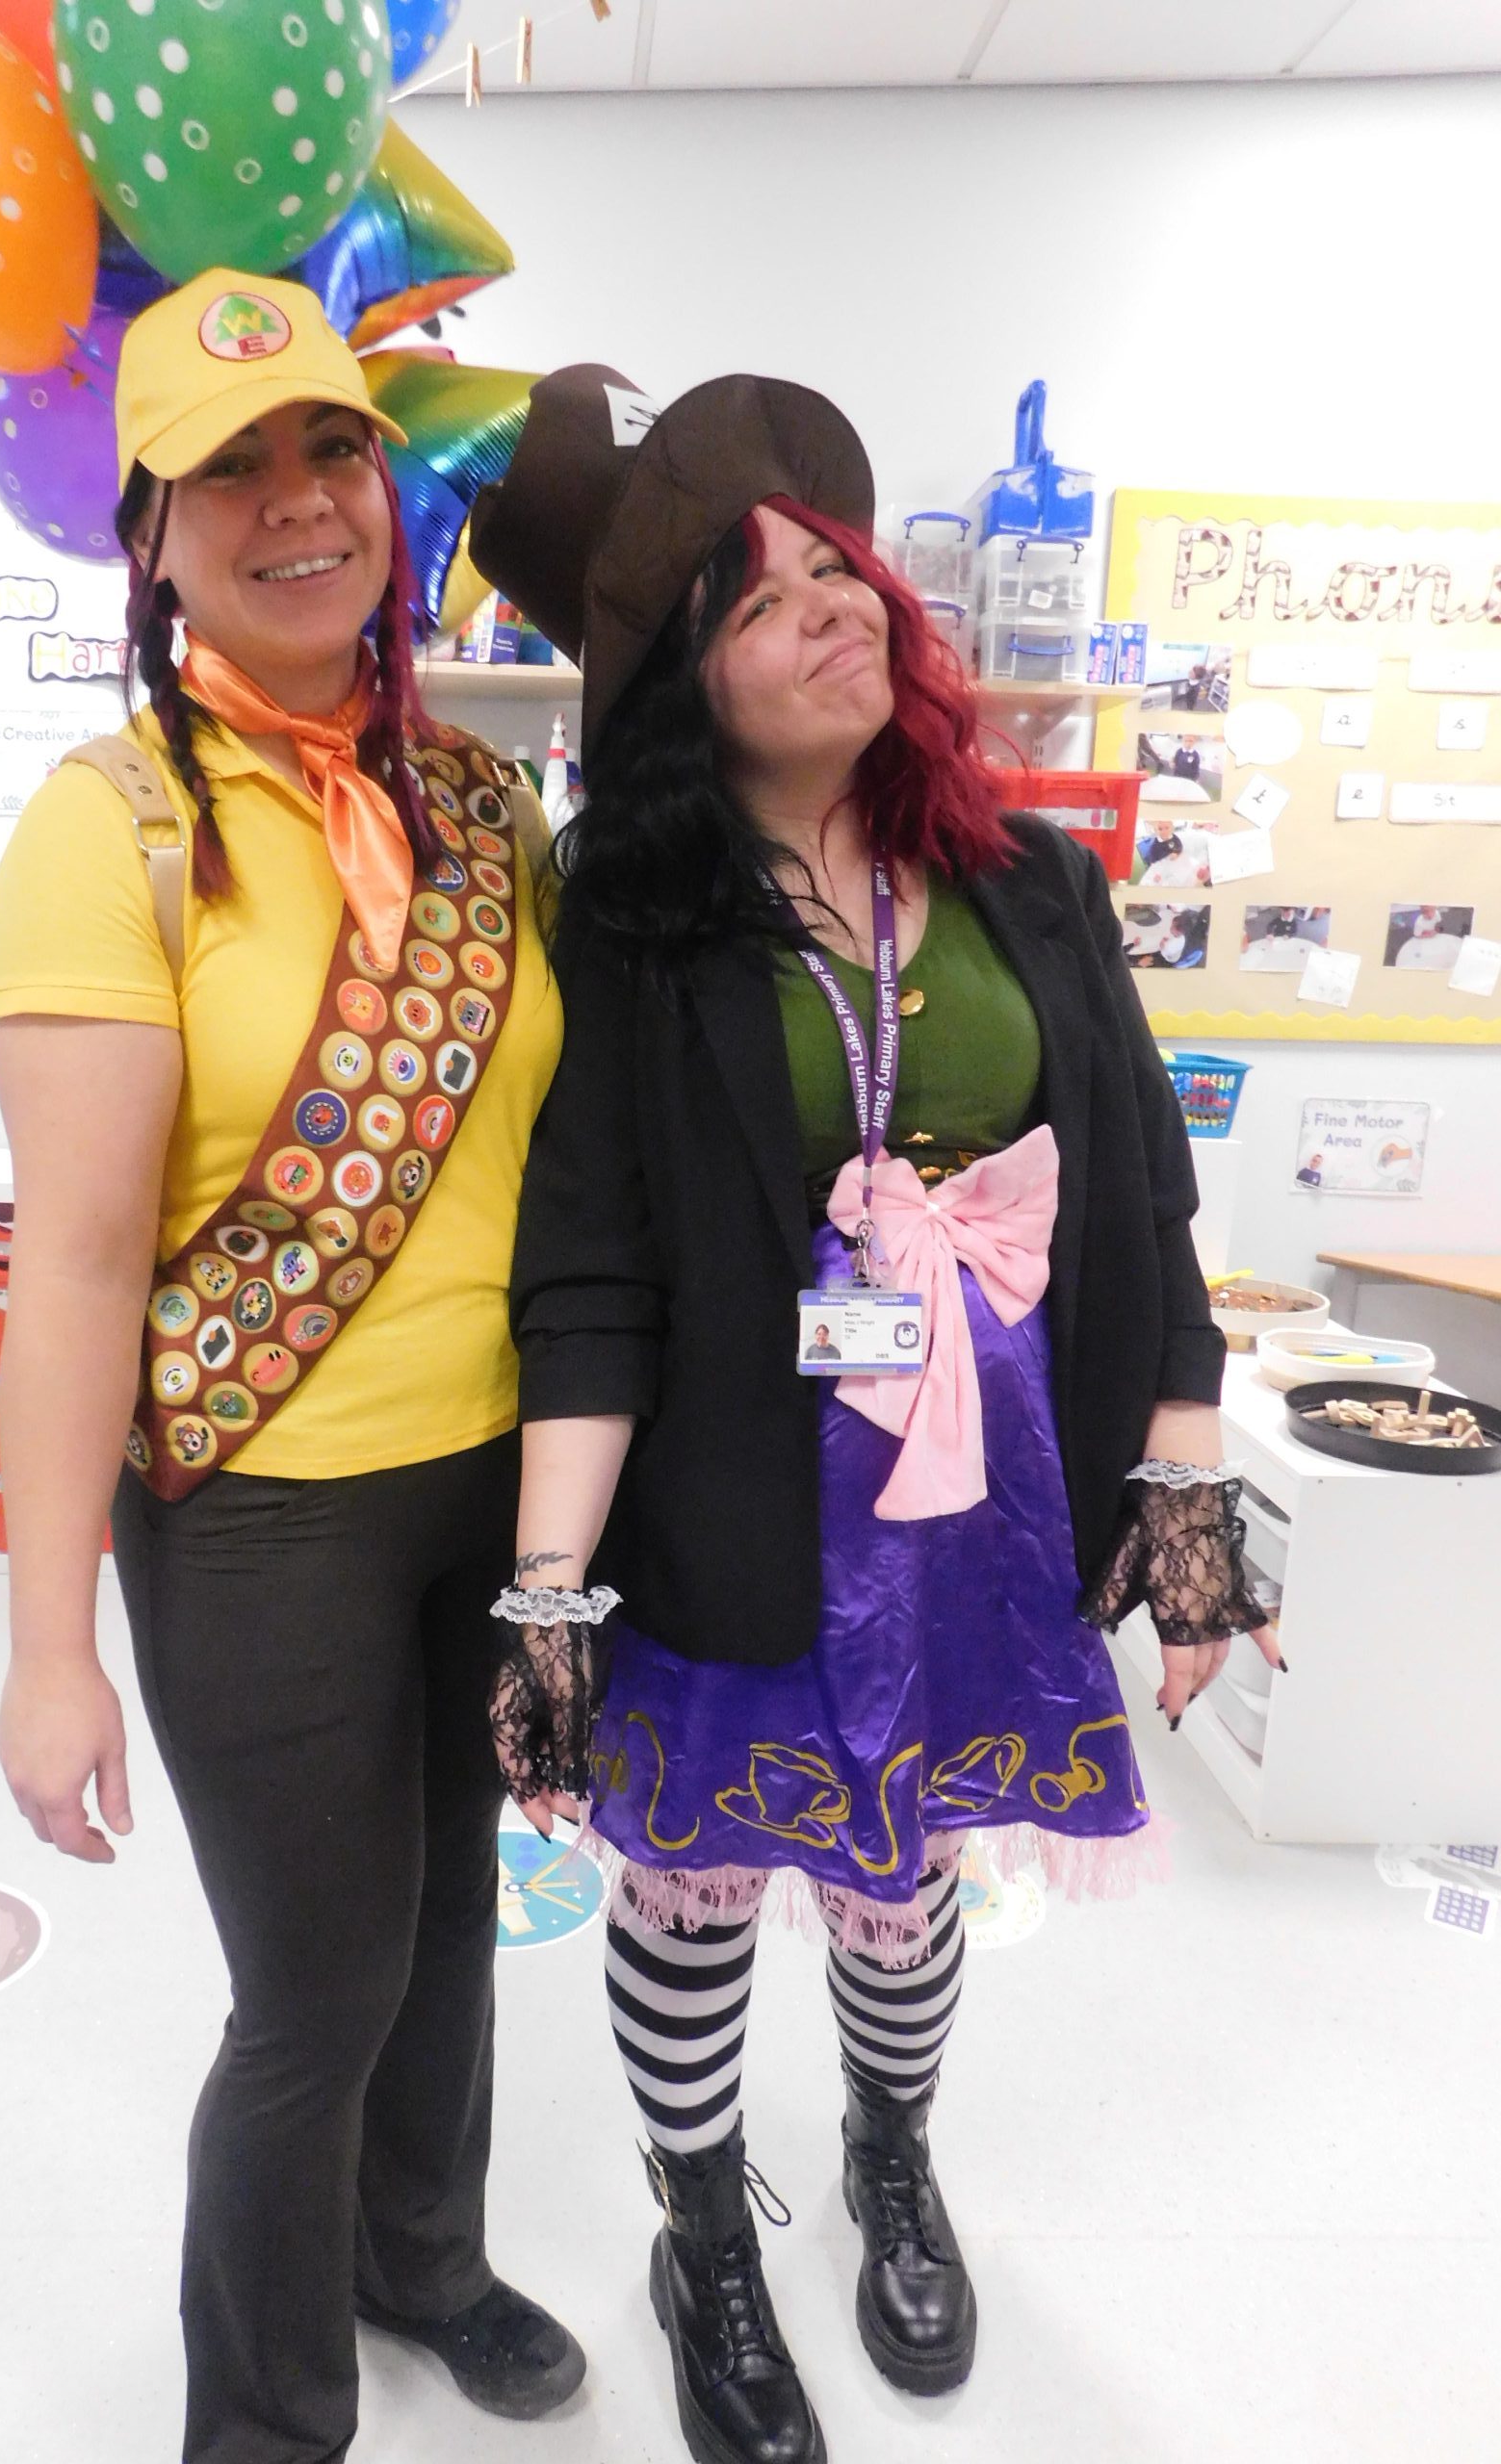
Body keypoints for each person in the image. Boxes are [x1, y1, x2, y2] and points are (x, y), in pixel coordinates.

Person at [470, 367, 1282, 2464]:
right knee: (693, 1896)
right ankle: (703, 2241)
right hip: (733, 1506)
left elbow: (1145, 1196)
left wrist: (1187, 1487)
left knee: (907, 1885)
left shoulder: (1030, 884)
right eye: (761, 600)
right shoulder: (635, 927)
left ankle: (892, 2155)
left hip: (976, 1508)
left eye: (836, 570)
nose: (833, 604)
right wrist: (549, 1592)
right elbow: (590, 1267)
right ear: (685, 689)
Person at [0, 270, 581, 2464]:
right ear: (148, 533)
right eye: (226, 468)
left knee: (455, 1935)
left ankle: (421, 2259)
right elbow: (75, 1267)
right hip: (256, 1512)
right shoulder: (113, 825)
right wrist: (51, 1648)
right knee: (316, 1993)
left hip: (492, 1484)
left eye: (332, 446)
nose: (297, 499)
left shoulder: (488, 807)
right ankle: (262, 2420)